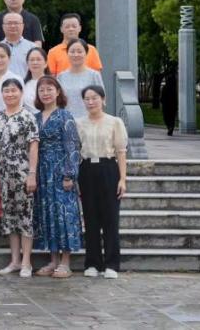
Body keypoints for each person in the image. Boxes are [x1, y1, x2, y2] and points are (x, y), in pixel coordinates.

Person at [32, 76, 83, 279]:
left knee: (64, 215)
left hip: (61, 171)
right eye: (41, 90)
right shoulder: (35, 117)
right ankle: (53, 260)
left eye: (49, 89)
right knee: (47, 215)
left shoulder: (65, 116)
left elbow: (73, 146)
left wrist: (70, 174)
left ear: (58, 92)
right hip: (42, 172)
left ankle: (65, 262)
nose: (45, 93)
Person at [76, 85, 128, 279]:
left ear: (103, 99)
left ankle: (112, 264)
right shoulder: (78, 123)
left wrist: (122, 179)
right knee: (90, 218)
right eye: (87, 99)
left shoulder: (115, 122)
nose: (91, 102)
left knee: (110, 218)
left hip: (108, 169)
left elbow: (121, 152)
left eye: (95, 98)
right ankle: (92, 263)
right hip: (86, 169)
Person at [0, 78, 40, 278]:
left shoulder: (28, 117)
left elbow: (33, 146)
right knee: (9, 217)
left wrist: (32, 174)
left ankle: (27, 261)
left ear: (21, 93)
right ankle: (15, 260)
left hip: (22, 173)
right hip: (2, 175)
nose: (10, 94)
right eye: (6, 91)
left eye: (13, 90)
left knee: (25, 217)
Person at [57, 39, 106, 119]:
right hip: (67, 121)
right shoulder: (61, 77)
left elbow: (102, 100)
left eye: (79, 52)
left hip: (89, 121)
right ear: (67, 53)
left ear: (86, 53)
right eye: (72, 52)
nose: (76, 55)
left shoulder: (94, 75)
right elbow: (57, 102)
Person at [0, 12, 35, 78]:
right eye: (9, 23)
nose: (13, 26)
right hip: (2, 84)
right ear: (3, 27)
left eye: (16, 23)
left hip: (26, 84)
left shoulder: (33, 47)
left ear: (23, 26)